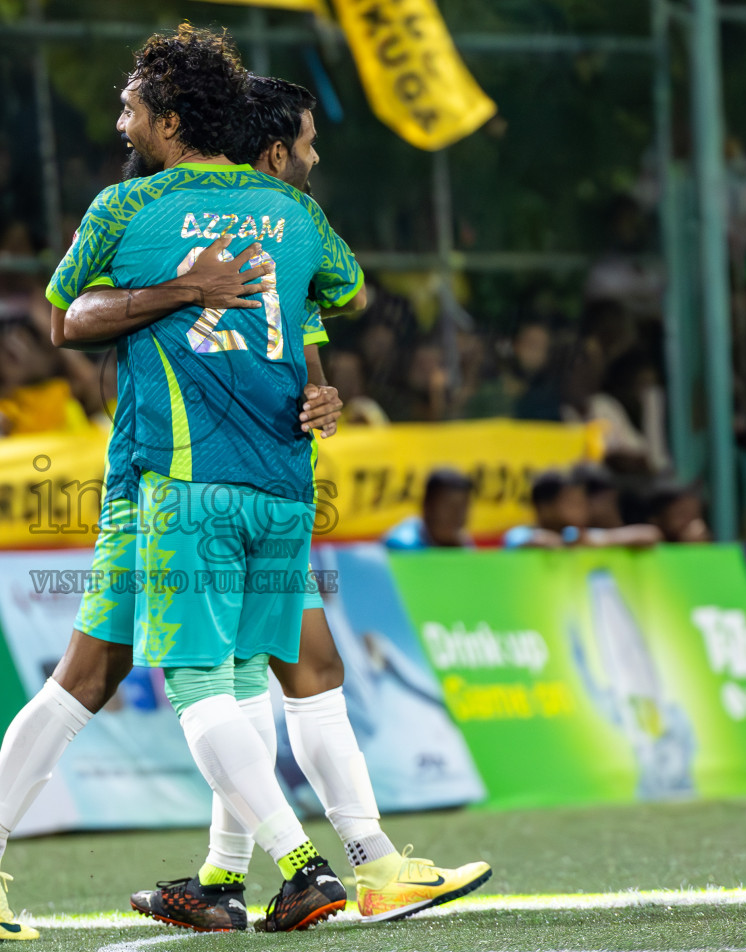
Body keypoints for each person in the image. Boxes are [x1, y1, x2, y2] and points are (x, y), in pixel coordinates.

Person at [60, 72, 483, 928]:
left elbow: (301, 346)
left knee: (232, 680)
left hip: (213, 484)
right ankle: (315, 870)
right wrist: (308, 386)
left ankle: (266, 874)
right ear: (274, 150)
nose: (317, 157)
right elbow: (337, 298)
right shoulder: (292, 231)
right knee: (283, 675)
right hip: (263, 492)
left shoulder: (158, 217)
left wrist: (318, 392)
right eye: (309, 141)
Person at [504, 469, 660, 549]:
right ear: (544, 507)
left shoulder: (584, 536)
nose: (582, 510)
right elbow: (530, 542)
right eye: (571, 503)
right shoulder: (518, 534)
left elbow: (650, 534)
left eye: (582, 503)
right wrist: (563, 544)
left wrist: (599, 540)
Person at [384, 469, 474, 549]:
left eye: (462, 507)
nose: (456, 515)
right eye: (449, 507)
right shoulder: (402, 546)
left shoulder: (463, 542)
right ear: (427, 505)